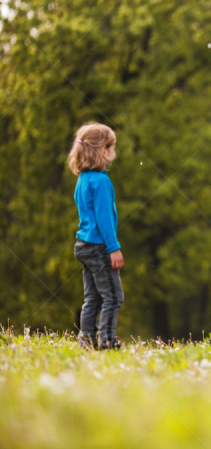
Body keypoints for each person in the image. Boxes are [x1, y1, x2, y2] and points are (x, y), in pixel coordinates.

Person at [68, 123, 125, 350]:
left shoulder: (83, 178)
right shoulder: (101, 182)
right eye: (112, 147)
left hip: (83, 245)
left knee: (92, 298)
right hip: (99, 247)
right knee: (113, 297)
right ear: (102, 150)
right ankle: (108, 341)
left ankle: (87, 340)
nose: (115, 152)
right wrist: (114, 247)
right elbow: (104, 219)